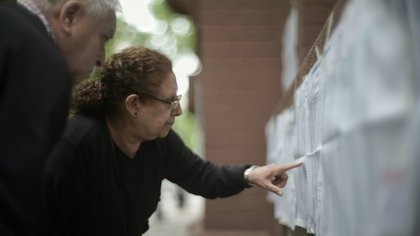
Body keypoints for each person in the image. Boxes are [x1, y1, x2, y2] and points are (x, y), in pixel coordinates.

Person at [44, 46, 303, 236]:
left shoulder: (158, 142)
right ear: (134, 104)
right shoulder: (77, 142)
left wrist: (251, 174)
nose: (177, 111)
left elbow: (203, 176)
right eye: (170, 101)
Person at [0, 0, 119, 234]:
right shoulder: (42, 63)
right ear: (70, 16)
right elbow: (12, 205)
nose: (102, 59)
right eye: (103, 37)